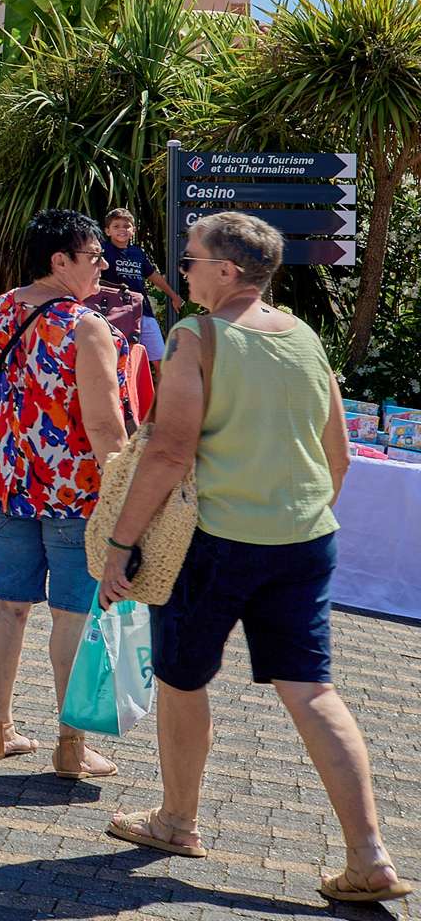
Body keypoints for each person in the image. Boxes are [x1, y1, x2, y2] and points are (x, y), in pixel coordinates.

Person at [98, 212, 409, 904]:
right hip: (305, 538)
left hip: (216, 541)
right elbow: (340, 455)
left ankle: (177, 820)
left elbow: (171, 449)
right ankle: (370, 856)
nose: (184, 269)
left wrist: (121, 542)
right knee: (311, 689)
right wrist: (293, 511)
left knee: (183, 678)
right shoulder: (302, 336)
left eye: (192, 259)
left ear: (227, 271)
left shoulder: (195, 336)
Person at [0, 208, 129, 781]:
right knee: (72, 615)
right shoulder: (88, 327)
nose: (104, 264)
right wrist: (127, 495)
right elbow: (106, 427)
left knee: (5, 602)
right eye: (94, 256)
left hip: (1, 484)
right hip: (73, 489)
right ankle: (70, 744)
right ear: (60, 261)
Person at [100, 208, 183, 363]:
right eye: (116, 226)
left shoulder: (138, 253)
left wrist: (173, 296)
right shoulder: (102, 251)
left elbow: (153, 275)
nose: (122, 230)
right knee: (120, 360)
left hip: (143, 311)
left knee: (160, 360)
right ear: (107, 231)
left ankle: (159, 388)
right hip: (114, 312)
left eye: (126, 226)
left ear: (133, 230)